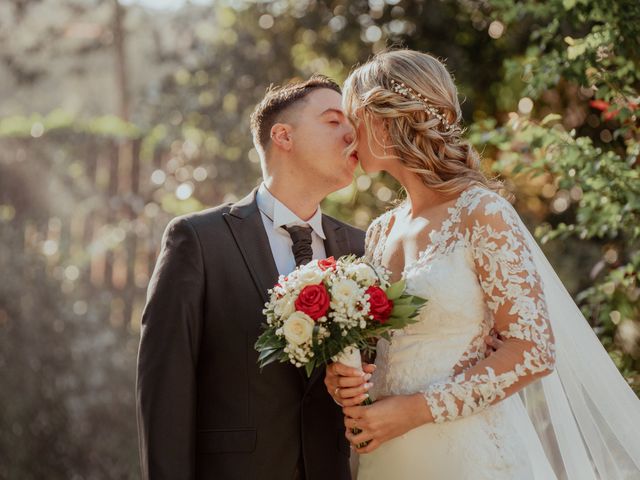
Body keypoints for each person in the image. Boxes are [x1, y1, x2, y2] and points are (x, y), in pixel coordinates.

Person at [325, 49, 640, 479]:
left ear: (382, 117)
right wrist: (344, 376)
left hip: (467, 454)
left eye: (350, 117)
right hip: (385, 455)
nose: (346, 133)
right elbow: (381, 352)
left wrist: (415, 411)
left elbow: (533, 350)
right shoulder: (379, 231)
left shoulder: (481, 212)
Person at [136, 75, 370, 480]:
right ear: (283, 136)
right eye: (334, 121)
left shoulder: (362, 247)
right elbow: (165, 390)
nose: (352, 134)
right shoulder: (197, 239)